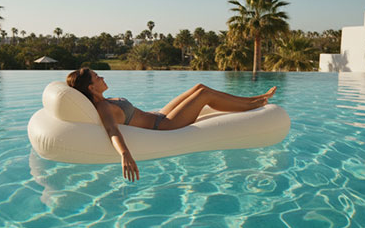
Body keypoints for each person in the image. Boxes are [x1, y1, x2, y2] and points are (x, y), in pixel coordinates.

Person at [66, 68, 277, 182]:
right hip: (165, 125)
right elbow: (112, 130)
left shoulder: (105, 100)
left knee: (199, 86)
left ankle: (254, 99)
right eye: (97, 76)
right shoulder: (103, 108)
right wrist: (124, 154)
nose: (102, 76)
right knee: (204, 94)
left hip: (159, 115)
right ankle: (255, 102)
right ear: (92, 87)